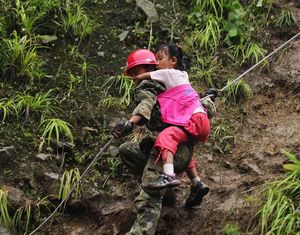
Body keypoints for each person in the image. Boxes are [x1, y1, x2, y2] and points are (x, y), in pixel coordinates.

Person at [111, 48, 217, 234]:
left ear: (149, 68)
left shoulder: (148, 86)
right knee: (127, 150)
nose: (136, 77)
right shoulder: (174, 84)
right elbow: (196, 106)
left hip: (167, 149)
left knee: (149, 192)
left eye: (138, 72)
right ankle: (167, 194)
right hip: (183, 150)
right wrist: (208, 99)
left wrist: (130, 123)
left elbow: (145, 107)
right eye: (134, 74)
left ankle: (142, 229)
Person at [132, 44, 211, 193]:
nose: (156, 63)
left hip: (194, 120)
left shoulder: (170, 73)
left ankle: (169, 175)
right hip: (199, 121)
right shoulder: (181, 78)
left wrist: (136, 77)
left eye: (160, 59)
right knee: (177, 144)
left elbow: (145, 76)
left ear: (173, 61)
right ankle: (197, 182)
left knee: (165, 138)